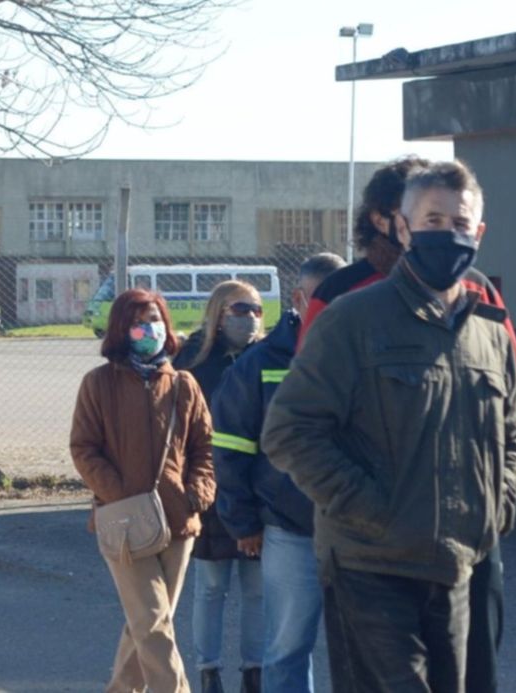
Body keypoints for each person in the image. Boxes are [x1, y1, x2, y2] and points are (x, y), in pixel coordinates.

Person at [263, 160, 516, 692]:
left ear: (478, 234)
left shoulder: (488, 330)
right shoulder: (351, 317)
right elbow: (289, 430)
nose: (447, 234)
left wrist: (497, 504)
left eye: (459, 224)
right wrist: (369, 509)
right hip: (372, 566)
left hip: (455, 563)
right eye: (432, 220)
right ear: (402, 229)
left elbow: (512, 428)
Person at [211, 253, 344, 693]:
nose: (335, 308)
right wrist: (243, 521)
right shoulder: (259, 364)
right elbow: (230, 449)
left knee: (366, 650)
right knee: (287, 651)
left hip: (358, 529)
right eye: (324, 298)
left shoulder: (360, 352)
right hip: (291, 529)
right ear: (298, 298)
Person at [70, 288, 215, 693]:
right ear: (121, 329)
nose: (148, 327)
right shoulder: (98, 384)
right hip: (123, 520)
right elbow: (83, 448)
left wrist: (196, 495)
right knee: (152, 620)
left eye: (154, 319)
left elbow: (204, 446)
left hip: (178, 520)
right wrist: (118, 494)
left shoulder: (184, 384)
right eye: (138, 321)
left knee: (148, 621)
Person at [173, 281, 265, 693]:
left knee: (257, 590)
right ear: (217, 313)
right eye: (240, 309)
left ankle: (254, 671)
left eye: (257, 310)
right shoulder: (190, 360)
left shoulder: (265, 356)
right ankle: (208, 671)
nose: (250, 318)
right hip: (209, 491)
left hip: (257, 492)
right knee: (211, 587)